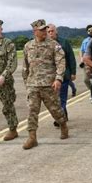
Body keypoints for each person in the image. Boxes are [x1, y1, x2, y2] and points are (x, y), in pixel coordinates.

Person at [22, 19, 69, 150]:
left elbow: (61, 62)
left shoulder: (54, 45)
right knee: (32, 111)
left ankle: (63, 125)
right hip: (33, 85)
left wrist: (58, 79)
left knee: (55, 110)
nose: (44, 32)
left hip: (49, 85)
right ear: (34, 31)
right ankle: (32, 137)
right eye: (41, 30)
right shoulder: (28, 46)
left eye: (45, 29)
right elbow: (25, 66)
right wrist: (27, 82)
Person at [47, 24, 77, 125]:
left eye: (52, 31)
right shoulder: (45, 44)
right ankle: (64, 115)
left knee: (62, 98)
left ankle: (59, 119)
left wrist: (73, 72)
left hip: (64, 75)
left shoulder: (64, 42)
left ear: (56, 31)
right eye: (48, 31)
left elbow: (71, 57)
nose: (50, 33)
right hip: (51, 76)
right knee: (55, 99)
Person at [80, 25, 92, 92]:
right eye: (89, 31)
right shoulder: (85, 41)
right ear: (87, 32)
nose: (90, 32)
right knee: (86, 79)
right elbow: (82, 50)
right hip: (86, 62)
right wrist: (81, 58)